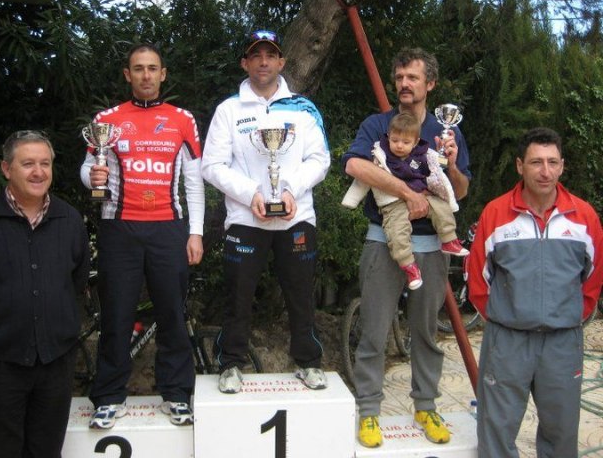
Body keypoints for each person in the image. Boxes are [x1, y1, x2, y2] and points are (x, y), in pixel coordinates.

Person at [342, 47, 471, 447]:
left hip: (431, 247)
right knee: (374, 330)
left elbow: (461, 191)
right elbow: (354, 165)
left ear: (430, 83)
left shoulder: (445, 131)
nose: (404, 84)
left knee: (426, 332)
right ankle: (369, 411)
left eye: (412, 77)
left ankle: (426, 406)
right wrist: (405, 192)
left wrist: (451, 166)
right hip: (383, 241)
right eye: (399, 77)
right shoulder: (377, 125)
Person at [81, 43, 205, 429]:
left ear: (163, 74)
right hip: (119, 228)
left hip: (168, 227)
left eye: (152, 68)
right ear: (127, 75)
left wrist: (196, 233)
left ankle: (176, 393)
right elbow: (87, 169)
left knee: (172, 313)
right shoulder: (108, 119)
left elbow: (194, 182)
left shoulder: (182, 119)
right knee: (116, 314)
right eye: (139, 68)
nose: (146, 75)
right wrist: (92, 177)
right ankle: (108, 396)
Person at [201, 29, 331, 393]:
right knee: (238, 297)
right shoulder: (229, 110)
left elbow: (320, 159)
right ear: (245, 63)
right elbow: (211, 165)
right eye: (256, 55)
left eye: (270, 55)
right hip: (247, 219)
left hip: (296, 217)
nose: (263, 62)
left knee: (301, 296)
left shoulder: (303, 109)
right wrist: (251, 195)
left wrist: (291, 190)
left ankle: (308, 362)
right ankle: (231, 364)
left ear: (281, 62)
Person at [467, 127, 603, 458]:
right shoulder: (496, 214)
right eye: (536, 162)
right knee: (496, 432)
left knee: (561, 435)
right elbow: (478, 279)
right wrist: (506, 316)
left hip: (562, 344)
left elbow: (593, 279)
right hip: (507, 342)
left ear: (562, 166)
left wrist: (567, 316)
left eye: (552, 162)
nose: (545, 171)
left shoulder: (584, 217)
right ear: (520, 166)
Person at [0, 130, 90, 457]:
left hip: (55, 364)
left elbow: (75, 282)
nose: (38, 172)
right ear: (6, 169)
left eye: (45, 163)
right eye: (28, 163)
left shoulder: (69, 220)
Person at [342, 112, 468, 290]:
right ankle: (408, 265)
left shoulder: (427, 149)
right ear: (388, 136)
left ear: (416, 142)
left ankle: (449, 239)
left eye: (406, 142)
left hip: (431, 236)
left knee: (441, 207)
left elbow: (445, 178)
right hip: (390, 207)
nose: (399, 145)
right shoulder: (379, 149)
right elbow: (355, 168)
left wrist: (450, 164)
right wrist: (351, 200)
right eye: (395, 140)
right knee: (397, 230)